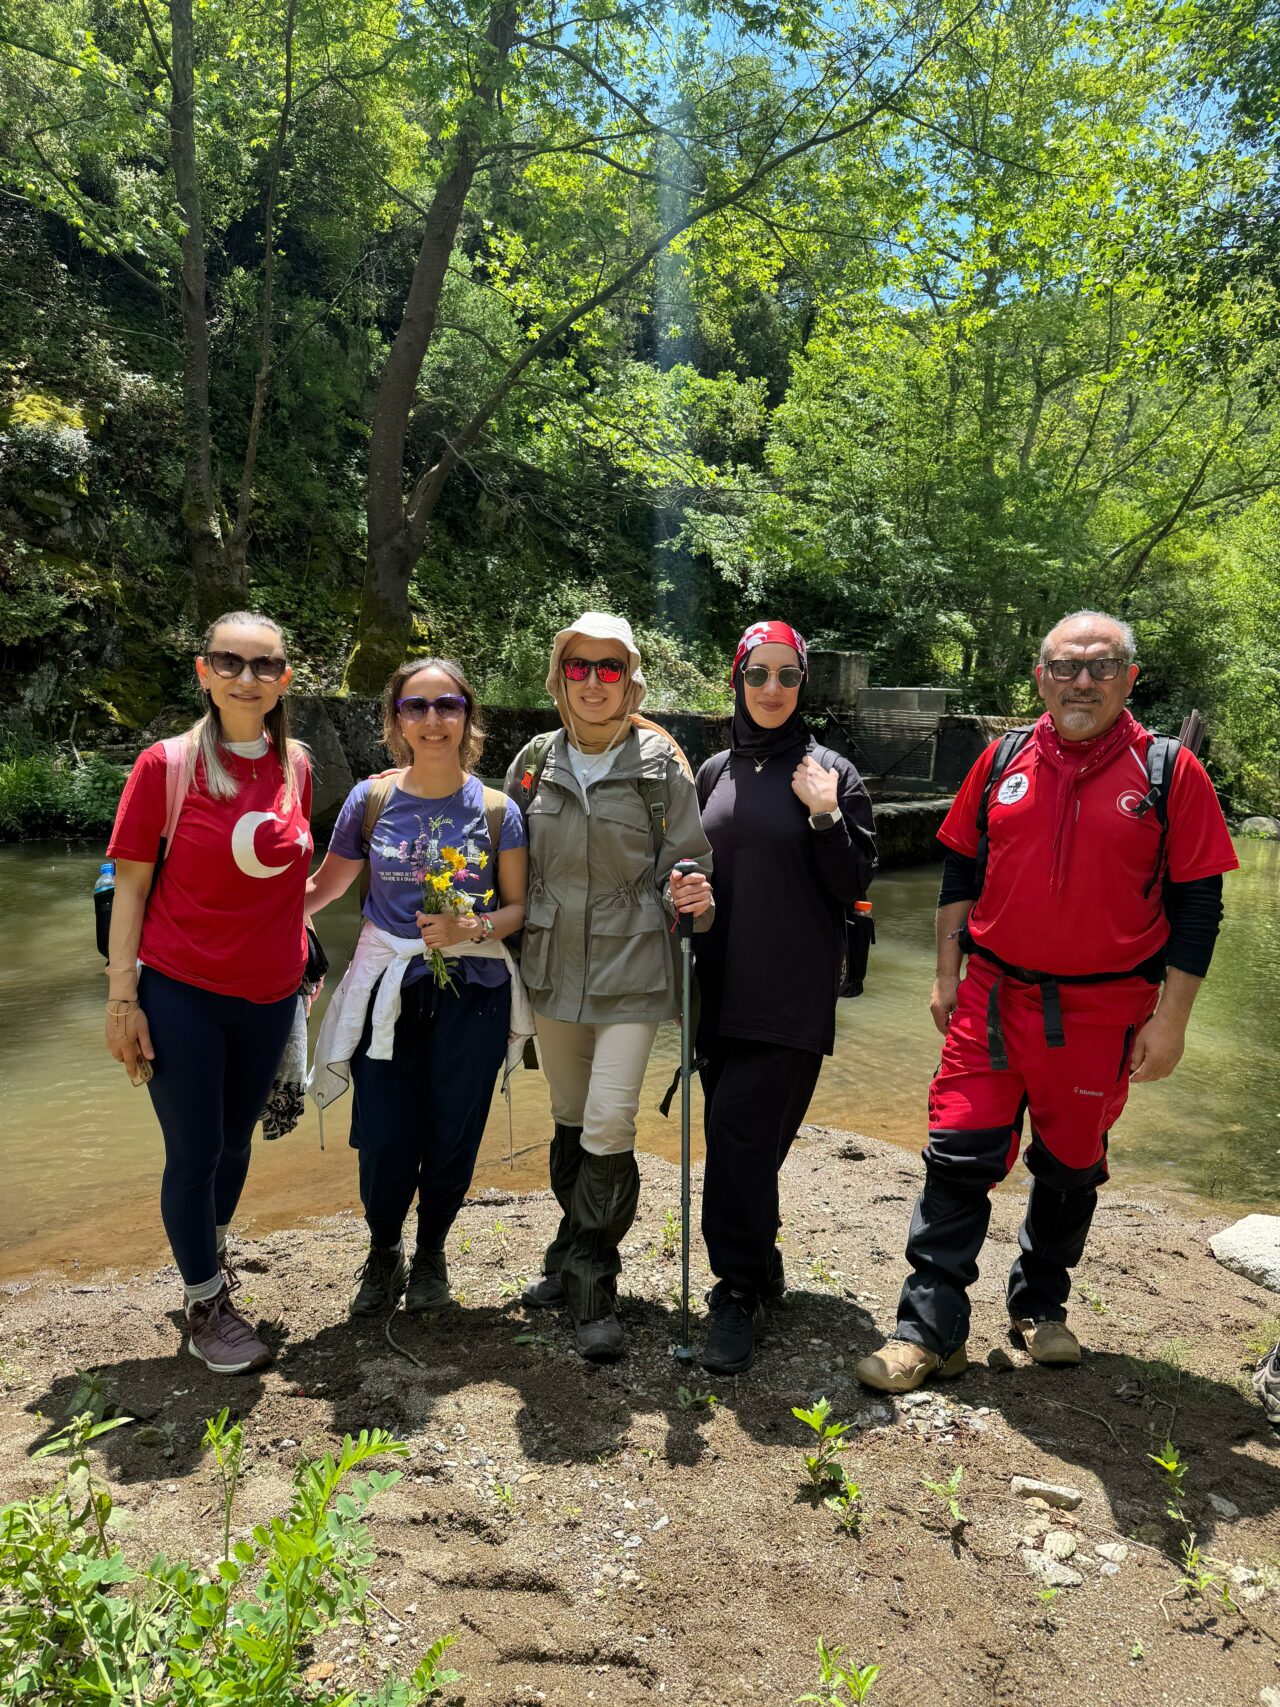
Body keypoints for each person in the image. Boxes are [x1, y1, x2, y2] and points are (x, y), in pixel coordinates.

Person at [856, 610, 1238, 1394]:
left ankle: (1038, 1305)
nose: (1082, 681)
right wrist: (945, 975)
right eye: (1066, 666)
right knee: (958, 1154)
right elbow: (961, 871)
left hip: (1105, 1011)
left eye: (1101, 666)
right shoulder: (1002, 759)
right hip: (993, 997)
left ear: (1130, 678)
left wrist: (1172, 1020)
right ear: (1042, 678)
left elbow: (1201, 904)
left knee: (1070, 1164)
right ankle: (926, 1329)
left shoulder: (1168, 772)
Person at [104, 611, 312, 1374]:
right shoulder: (164, 766)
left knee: (235, 1141)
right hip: (182, 990)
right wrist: (122, 1000)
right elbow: (130, 889)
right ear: (204, 671)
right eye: (230, 662)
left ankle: (208, 1258)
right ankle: (205, 1304)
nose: (246, 678)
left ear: (284, 678)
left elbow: (286, 882)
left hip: (271, 995)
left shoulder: (298, 766)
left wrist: (307, 967)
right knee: (193, 1151)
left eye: (264, 665)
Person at [507, 613, 713, 1362]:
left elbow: (689, 864)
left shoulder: (663, 768)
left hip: (633, 969)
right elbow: (507, 862)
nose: (593, 682)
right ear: (559, 679)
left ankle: (595, 1279)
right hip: (551, 967)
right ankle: (569, 1248)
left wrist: (694, 893)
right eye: (579, 668)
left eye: (609, 668)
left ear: (632, 682)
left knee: (608, 1120)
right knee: (568, 1113)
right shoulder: (533, 762)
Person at [306, 658, 529, 1316]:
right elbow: (325, 887)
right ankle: (384, 1250)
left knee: (454, 1129)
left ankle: (431, 1251)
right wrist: (246, 913)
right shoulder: (370, 801)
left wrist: (470, 926)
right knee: (383, 1133)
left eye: (448, 705)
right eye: (416, 706)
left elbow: (519, 908)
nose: (433, 719)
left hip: (475, 990)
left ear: (467, 717)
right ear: (396, 720)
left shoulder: (498, 810)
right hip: (386, 988)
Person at [692, 621, 876, 1373]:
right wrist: (680, 889)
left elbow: (854, 882)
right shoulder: (713, 770)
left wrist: (826, 815)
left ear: (804, 684)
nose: (772, 688)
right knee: (744, 1142)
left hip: (790, 991)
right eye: (758, 674)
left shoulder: (831, 772)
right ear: (737, 680)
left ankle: (737, 1292)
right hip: (717, 986)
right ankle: (760, 1261)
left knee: (739, 1132)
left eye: (788, 675)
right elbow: (692, 863)